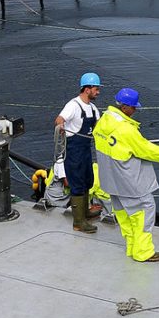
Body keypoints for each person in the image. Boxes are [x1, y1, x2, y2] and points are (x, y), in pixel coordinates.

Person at [93, 86, 159, 264]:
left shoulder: (104, 121)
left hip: (112, 183)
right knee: (143, 216)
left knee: (125, 217)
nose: (135, 110)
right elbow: (146, 150)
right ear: (124, 108)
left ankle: (132, 246)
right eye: (134, 107)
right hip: (131, 184)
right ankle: (143, 252)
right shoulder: (126, 130)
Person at [55, 72, 104, 234]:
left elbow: (99, 126)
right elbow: (59, 119)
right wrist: (61, 126)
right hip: (74, 152)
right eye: (96, 88)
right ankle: (78, 222)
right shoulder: (73, 105)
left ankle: (85, 212)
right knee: (77, 184)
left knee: (87, 181)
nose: (98, 92)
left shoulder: (92, 108)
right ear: (87, 89)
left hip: (86, 151)